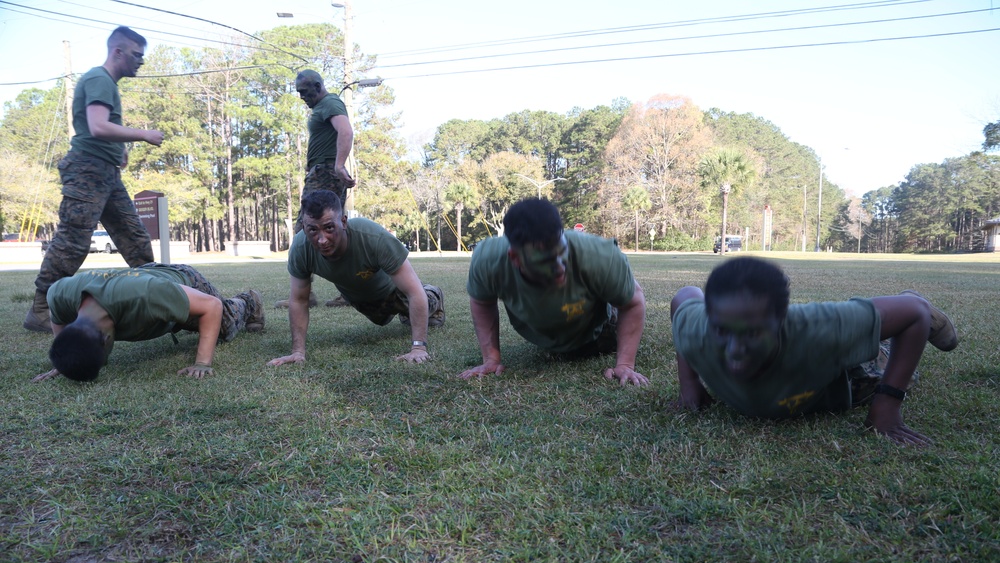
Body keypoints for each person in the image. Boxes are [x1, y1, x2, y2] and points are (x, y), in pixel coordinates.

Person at [670, 256, 959, 446]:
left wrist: (886, 407)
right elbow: (684, 297)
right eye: (723, 330)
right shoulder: (700, 328)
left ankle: (898, 302)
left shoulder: (813, 330)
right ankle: (871, 314)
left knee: (887, 346)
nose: (735, 349)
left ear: (782, 320)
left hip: (848, 374)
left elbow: (914, 314)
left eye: (753, 333)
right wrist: (690, 384)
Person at [24, 26, 165, 333]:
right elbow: (98, 126)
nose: (141, 61)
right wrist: (143, 135)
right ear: (118, 51)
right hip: (88, 170)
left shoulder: (106, 83)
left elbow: (104, 129)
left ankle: (157, 300)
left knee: (135, 239)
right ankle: (41, 309)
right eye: (136, 55)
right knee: (73, 241)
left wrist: (120, 149)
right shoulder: (100, 79)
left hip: (106, 173)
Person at [459, 198, 649, 386]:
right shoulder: (487, 259)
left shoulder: (599, 254)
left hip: (601, 329)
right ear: (515, 258)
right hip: (547, 335)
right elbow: (482, 303)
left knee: (625, 291)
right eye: (546, 261)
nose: (559, 267)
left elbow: (632, 303)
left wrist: (625, 364)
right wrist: (491, 359)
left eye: (562, 251)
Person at [266, 190, 444, 367]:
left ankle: (434, 295)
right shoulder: (301, 247)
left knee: (420, 301)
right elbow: (299, 300)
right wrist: (298, 351)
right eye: (312, 230)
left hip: (395, 291)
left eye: (329, 228)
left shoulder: (372, 237)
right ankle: (408, 316)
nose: (321, 240)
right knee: (382, 319)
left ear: (343, 222)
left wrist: (418, 348)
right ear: (304, 227)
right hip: (363, 300)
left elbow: (413, 292)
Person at [32, 264, 265, 382]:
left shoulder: (146, 296)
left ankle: (249, 300)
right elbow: (59, 320)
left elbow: (211, 306)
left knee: (222, 325)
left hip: (185, 281)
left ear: (105, 341)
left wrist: (202, 363)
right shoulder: (59, 294)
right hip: (146, 279)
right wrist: (64, 362)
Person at [275, 69, 357, 309]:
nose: (301, 96)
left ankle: (305, 295)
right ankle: (350, 290)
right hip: (322, 173)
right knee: (336, 230)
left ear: (318, 86)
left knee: (307, 229)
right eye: (299, 92)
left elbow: (346, 131)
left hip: (324, 175)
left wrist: (338, 165)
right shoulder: (323, 108)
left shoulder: (330, 102)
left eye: (304, 91)